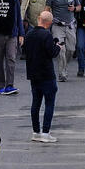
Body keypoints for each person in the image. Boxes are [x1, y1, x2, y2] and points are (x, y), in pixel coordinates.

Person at [24, 11, 62, 142]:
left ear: (39, 19)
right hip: (46, 74)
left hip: (33, 73)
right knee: (49, 103)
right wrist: (57, 47)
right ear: (49, 22)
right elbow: (51, 53)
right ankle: (46, 132)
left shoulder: (29, 34)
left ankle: (36, 131)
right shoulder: (46, 35)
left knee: (36, 103)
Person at [45, 0, 75, 82]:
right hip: (58, 25)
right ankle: (62, 73)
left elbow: (79, 7)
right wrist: (46, 20)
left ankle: (64, 66)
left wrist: (75, 8)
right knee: (61, 49)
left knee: (71, 49)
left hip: (70, 25)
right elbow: (47, 8)